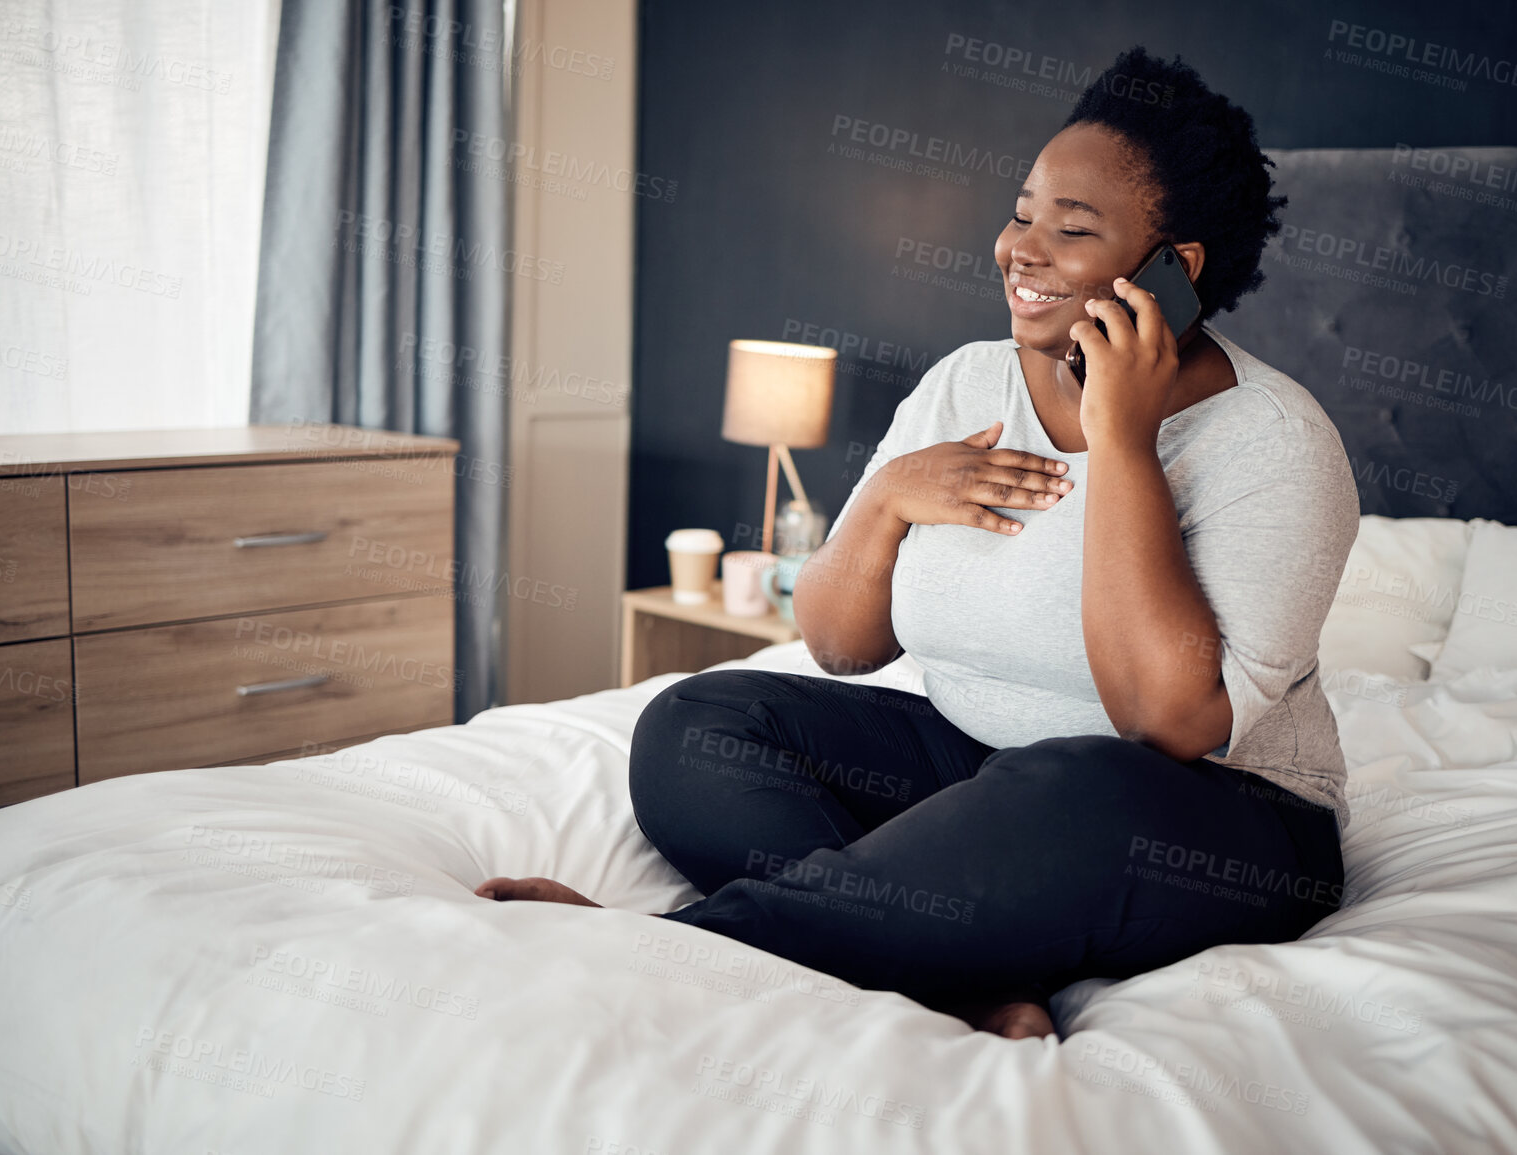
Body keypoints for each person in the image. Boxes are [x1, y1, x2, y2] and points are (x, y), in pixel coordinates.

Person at [477, 44, 1359, 1042]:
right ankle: (940, 974)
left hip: (1206, 821)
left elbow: (1167, 723)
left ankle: (673, 949)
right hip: (979, 772)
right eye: (1022, 212)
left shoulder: (1276, 442)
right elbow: (841, 646)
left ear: (1174, 270)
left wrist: (1123, 437)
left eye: (1070, 230)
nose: (1019, 248)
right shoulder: (966, 384)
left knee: (1072, 783)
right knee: (697, 721)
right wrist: (891, 497)